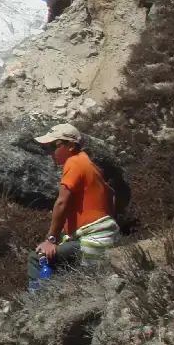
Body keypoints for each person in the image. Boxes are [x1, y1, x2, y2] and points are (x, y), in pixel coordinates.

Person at [28, 123, 120, 288]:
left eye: (53, 146)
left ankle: (37, 305)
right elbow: (111, 195)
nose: (50, 152)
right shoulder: (90, 165)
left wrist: (51, 239)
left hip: (92, 241)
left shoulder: (74, 163)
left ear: (70, 145)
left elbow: (62, 202)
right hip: (105, 238)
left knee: (37, 258)